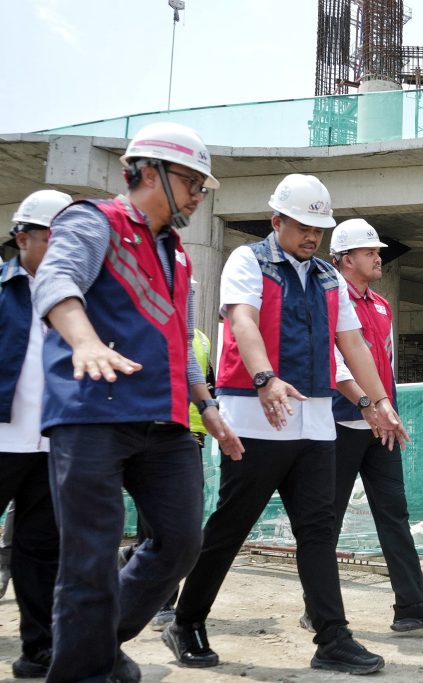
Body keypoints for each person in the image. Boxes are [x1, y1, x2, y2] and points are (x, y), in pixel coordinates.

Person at [165, 174, 408, 675]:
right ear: (277, 221)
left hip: (317, 424)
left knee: (318, 534)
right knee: (231, 525)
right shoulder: (247, 261)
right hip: (255, 416)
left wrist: (377, 402)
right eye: (303, 225)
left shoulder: (327, 278)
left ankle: (332, 638)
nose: (312, 236)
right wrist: (265, 378)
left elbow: (353, 344)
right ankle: (186, 621)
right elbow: (243, 322)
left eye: (319, 227)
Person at [33, 122, 243, 683]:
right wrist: (83, 339)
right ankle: (84, 671)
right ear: (149, 173)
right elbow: (56, 280)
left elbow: (181, 342)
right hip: (91, 414)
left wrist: (211, 408)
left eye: (204, 186)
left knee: (179, 543)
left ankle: (93, 649)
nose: (200, 195)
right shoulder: (92, 220)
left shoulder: (180, 256)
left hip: (168, 420)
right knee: (89, 559)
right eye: (193, 182)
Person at [318, 218, 423, 632]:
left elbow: (387, 365)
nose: (378, 257)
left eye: (378, 251)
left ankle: (411, 605)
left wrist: (389, 409)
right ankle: (319, 607)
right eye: (369, 252)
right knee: (327, 520)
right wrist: (364, 403)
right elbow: (334, 361)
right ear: (345, 259)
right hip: (341, 423)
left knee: (394, 514)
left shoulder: (381, 305)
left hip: (381, 427)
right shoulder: (328, 299)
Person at [0, 189, 71, 678]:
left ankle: (38, 648)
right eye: (53, 238)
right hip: (2, 439)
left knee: (39, 550)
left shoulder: (78, 297)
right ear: (22, 237)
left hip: (51, 443)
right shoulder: (3, 290)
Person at [118, 323, 216, 632]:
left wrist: (210, 410)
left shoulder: (199, 340)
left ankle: (133, 557)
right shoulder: (146, 324)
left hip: (190, 434)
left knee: (181, 529)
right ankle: (162, 602)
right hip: (148, 427)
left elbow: (208, 380)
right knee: (154, 525)